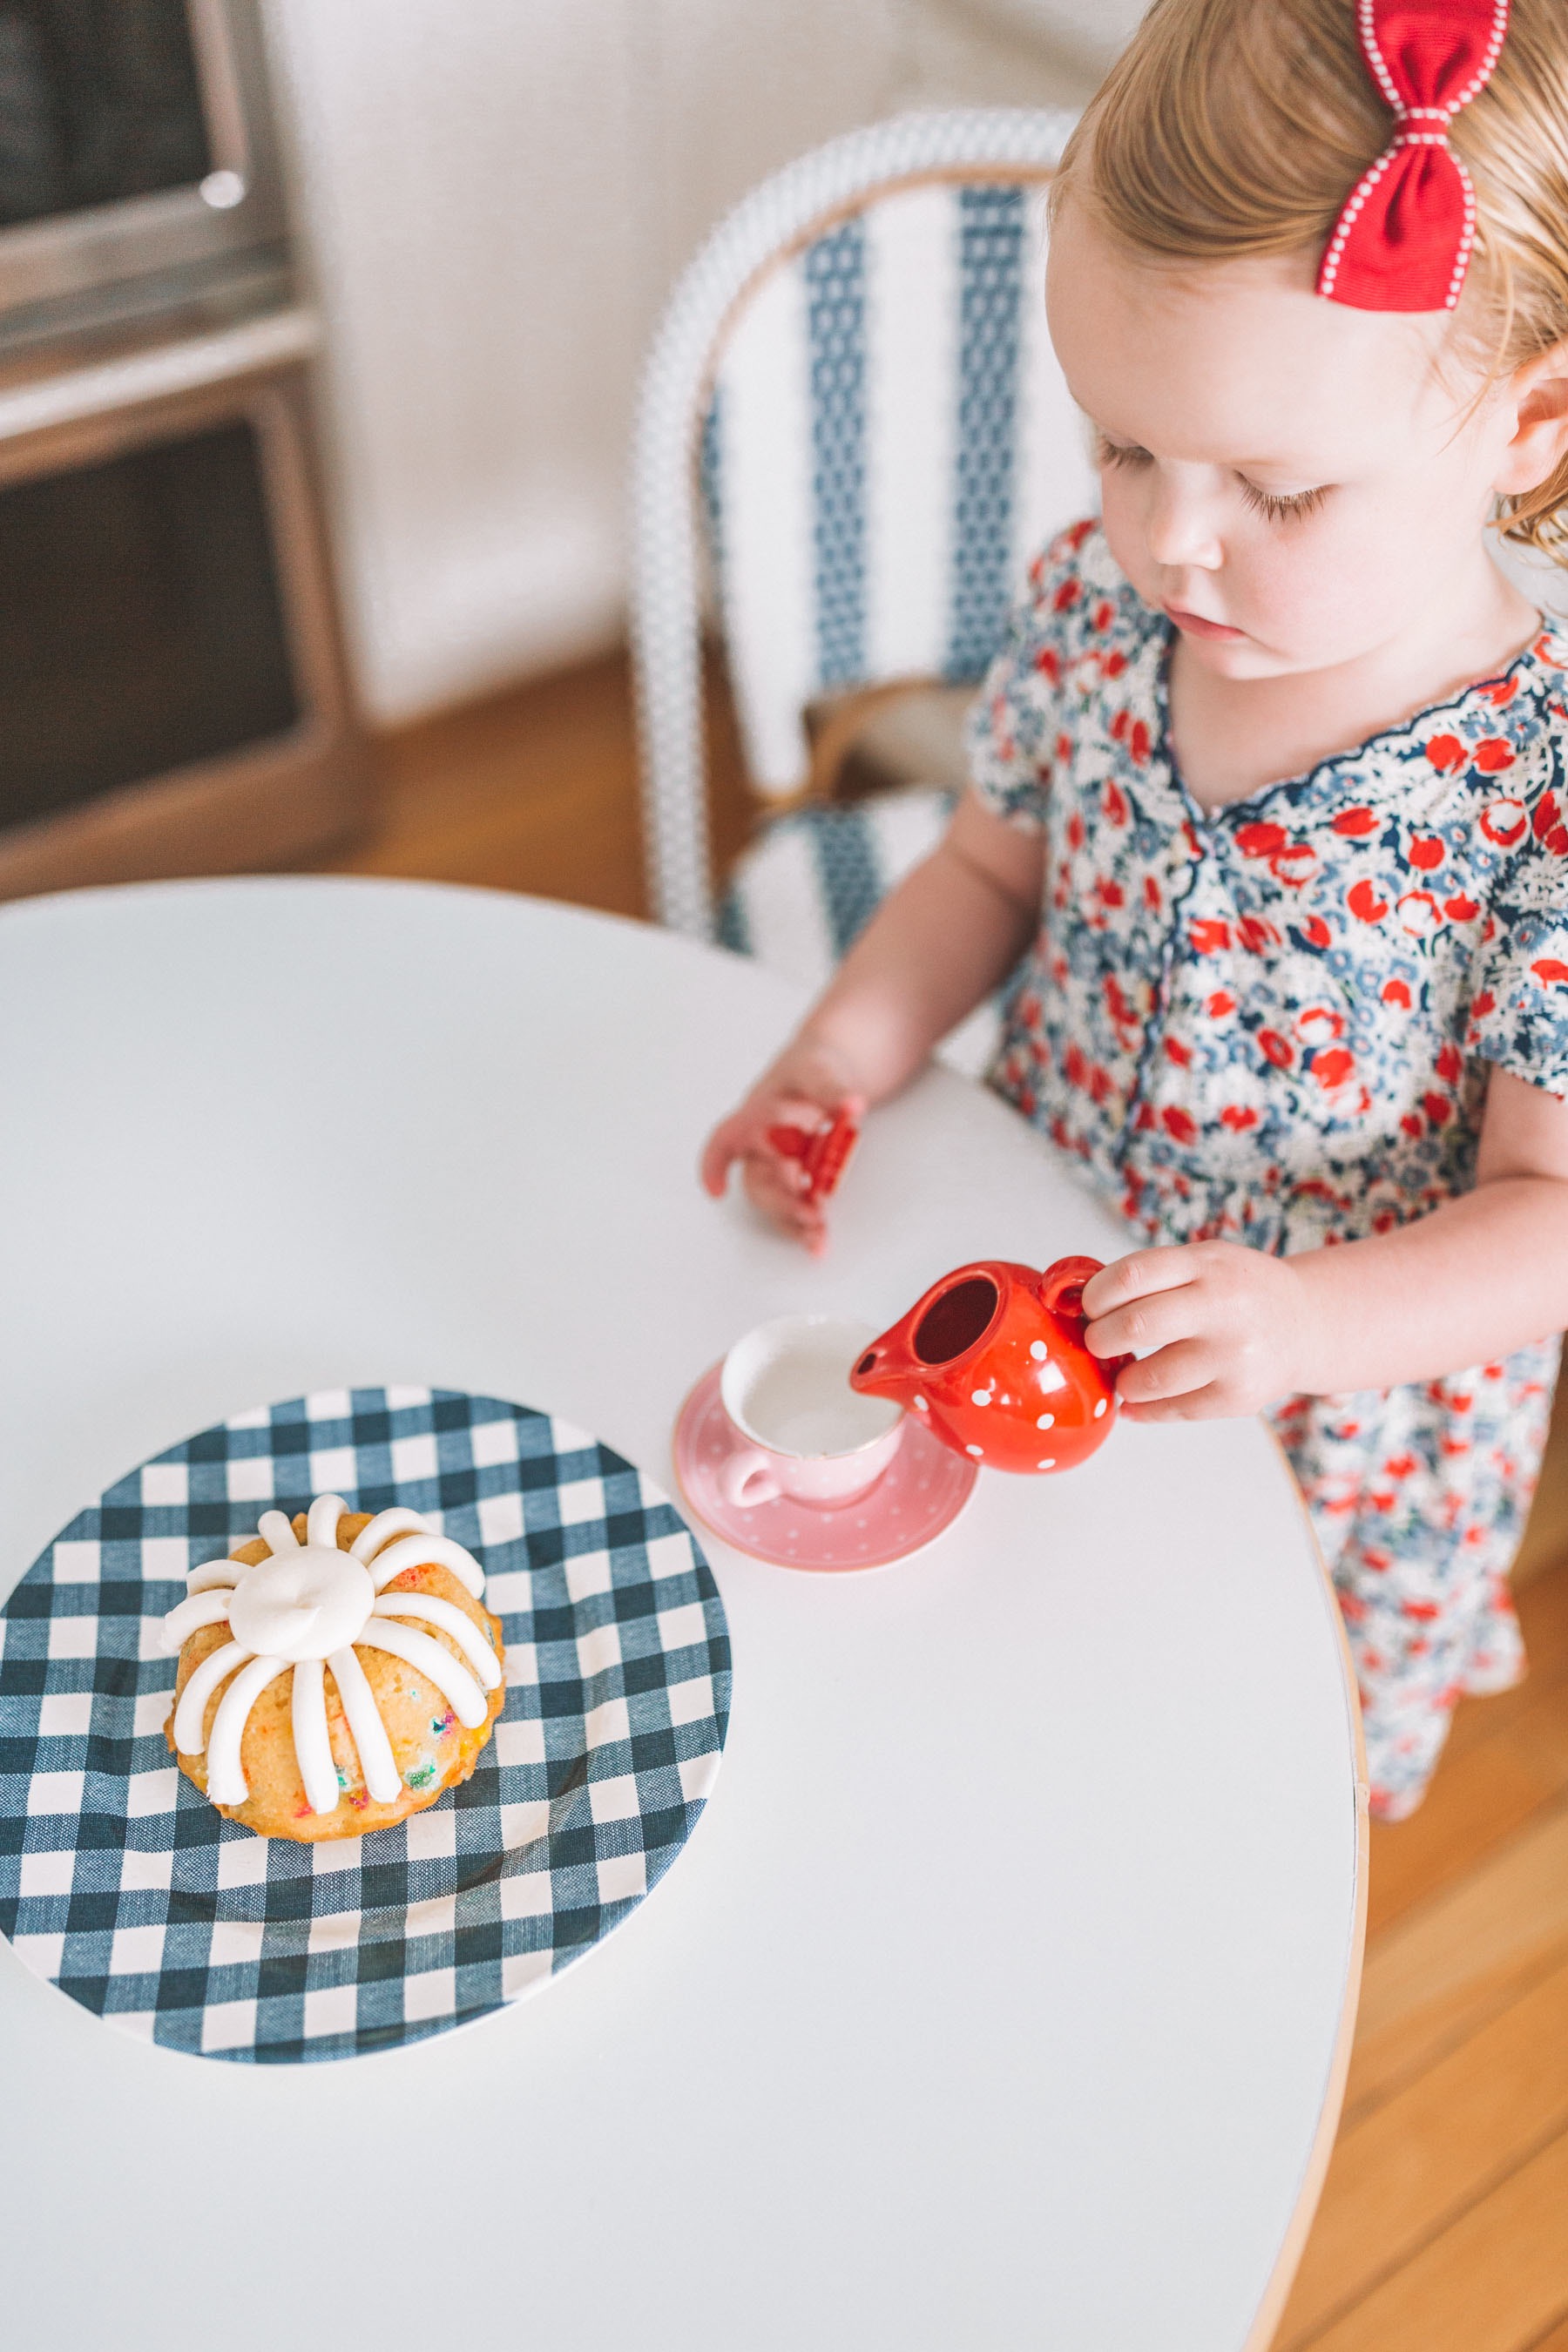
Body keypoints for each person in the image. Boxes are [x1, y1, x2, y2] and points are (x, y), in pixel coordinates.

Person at [700, 0, 1568, 1820]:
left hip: (1330, 1416)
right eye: (1121, 447)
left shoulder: (1540, 798)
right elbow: (987, 869)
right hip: (1040, 1265)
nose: (1173, 542)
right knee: (1031, 1680)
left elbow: (1546, 1215)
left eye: (1275, 487)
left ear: (1529, 421)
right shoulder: (1106, 615)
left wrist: (1305, 1328)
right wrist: (838, 1049)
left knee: (1240, 1764)